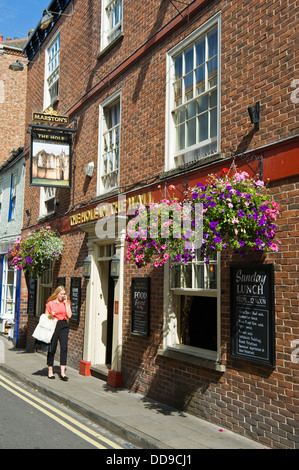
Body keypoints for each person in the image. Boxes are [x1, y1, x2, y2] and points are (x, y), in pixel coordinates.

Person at [45, 286, 72, 381]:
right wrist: (51, 315)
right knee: (52, 347)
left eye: (64, 294)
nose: (63, 296)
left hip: (64, 325)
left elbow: (69, 315)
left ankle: (63, 373)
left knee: (64, 348)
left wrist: (66, 304)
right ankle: (50, 370)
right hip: (54, 325)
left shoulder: (67, 303)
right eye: (61, 294)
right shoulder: (50, 304)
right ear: (57, 294)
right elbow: (46, 317)